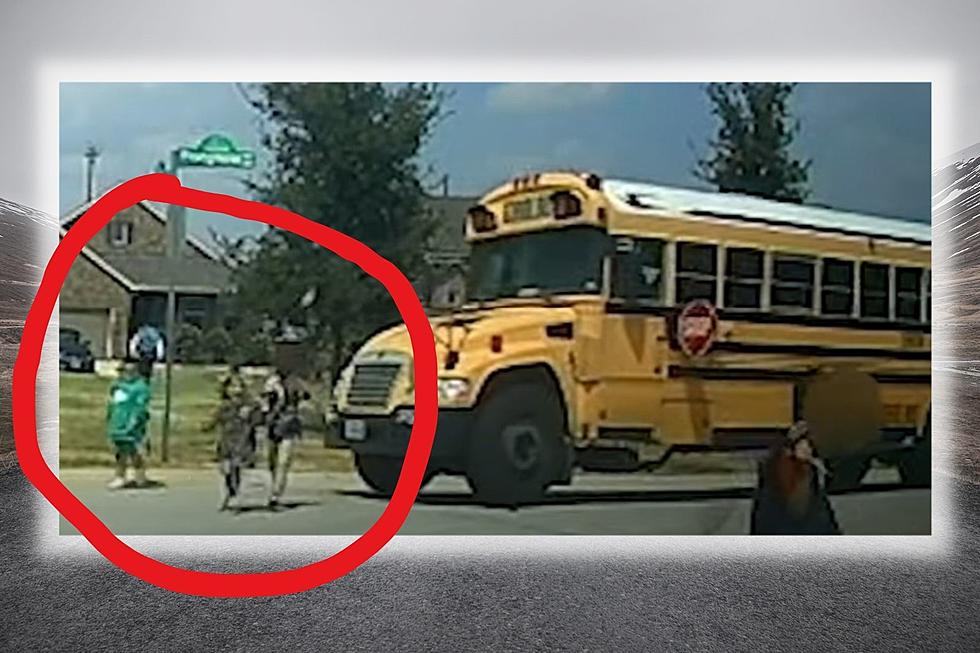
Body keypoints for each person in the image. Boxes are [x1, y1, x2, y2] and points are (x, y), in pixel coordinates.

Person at [750, 420, 842, 535]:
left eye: (810, 446)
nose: (809, 450)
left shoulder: (808, 470)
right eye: (805, 445)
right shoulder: (781, 470)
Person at [204, 367, 261, 511]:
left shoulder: (248, 406)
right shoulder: (224, 405)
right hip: (225, 440)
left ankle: (233, 490)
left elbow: (258, 419)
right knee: (225, 469)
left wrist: (252, 412)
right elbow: (215, 419)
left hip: (242, 440)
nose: (236, 390)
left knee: (236, 465)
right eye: (232, 387)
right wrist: (207, 426)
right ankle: (230, 486)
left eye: (239, 387)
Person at [260, 366, 310, 508]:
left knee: (283, 461)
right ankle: (275, 484)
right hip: (273, 426)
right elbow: (264, 401)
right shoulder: (271, 382)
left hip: (289, 425)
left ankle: (275, 494)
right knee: (272, 460)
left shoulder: (295, 382)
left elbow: (306, 395)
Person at [105, 362, 152, 489]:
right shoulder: (117, 386)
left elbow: (141, 407)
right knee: (120, 452)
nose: (121, 374)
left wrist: (135, 422)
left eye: (124, 371)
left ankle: (139, 475)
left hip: (132, 425)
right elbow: (112, 404)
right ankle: (120, 476)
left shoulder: (140, 387)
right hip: (118, 423)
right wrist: (110, 418)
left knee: (134, 451)